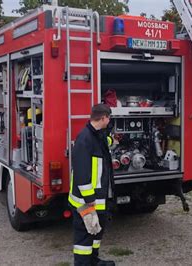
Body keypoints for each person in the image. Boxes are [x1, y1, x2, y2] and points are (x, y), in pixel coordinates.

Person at [68, 104, 115, 266]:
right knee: (84, 238)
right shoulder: (85, 139)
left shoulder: (96, 135)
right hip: (86, 201)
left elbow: (104, 143)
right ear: (103, 118)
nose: (109, 121)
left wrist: (112, 139)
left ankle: (93, 261)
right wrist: (89, 198)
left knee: (96, 232)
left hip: (98, 200)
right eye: (108, 118)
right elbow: (81, 173)